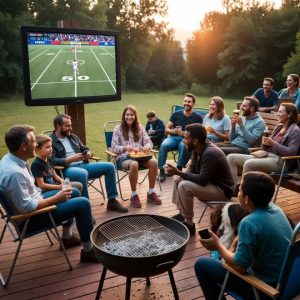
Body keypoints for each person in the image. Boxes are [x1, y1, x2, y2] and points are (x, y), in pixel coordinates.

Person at [0, 125, 97, 262]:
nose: (36, 144)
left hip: (36, 202)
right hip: (31, 219)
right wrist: (56, 198)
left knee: (73, 191)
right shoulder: (14, 173)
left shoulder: (10, 159)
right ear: (23, 146)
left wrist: (59, 193)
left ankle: (67, 237)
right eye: (33, 141)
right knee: (83, 204)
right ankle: (89, 251)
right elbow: (26, 207)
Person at [194, 171, 293, 300]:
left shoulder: (249, 223)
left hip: (264, 290)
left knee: (201, 265)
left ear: (247, 199)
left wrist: (218, 246)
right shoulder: (276, 210)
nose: (238, 192)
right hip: (286, 282)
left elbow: (239, 267)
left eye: (240, 190)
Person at [50, 114, 128, 213]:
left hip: (83, 165)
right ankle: (85, 210)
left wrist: (89, 154)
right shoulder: (51, 141)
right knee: (82, 173)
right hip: (67, 170)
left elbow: (85, 148)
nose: (70, 128)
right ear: (58, 126)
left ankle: (112, 201)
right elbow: (52, 161)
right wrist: (70, 159)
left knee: (110, 166)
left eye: (71, 125)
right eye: (67, 126)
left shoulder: (73, 137)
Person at [167, 123, 234, 235]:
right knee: (178, 180)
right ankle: (182, 214)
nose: (183, 141)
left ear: (195, 141)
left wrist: (180, 172)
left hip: (222, 190)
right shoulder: (197, 149)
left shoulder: (209, 153)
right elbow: (191, 169)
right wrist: (180, 175)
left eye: (186, 138)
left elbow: (203, 180)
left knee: (184, 186)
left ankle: (189, 223)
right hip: (211, 184)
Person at [227, 103, 300, 187]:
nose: (277, 114)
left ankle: (245, 192)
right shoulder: (279, 127)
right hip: (267, 156)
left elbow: (291, 152)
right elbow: (265, 148)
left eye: (280, 112)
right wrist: (265, 142)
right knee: (231, 157)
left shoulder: (295, 131)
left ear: (289, 114)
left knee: (249, 163)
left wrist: (273, 143)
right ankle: (231, 189)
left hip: (281, 161)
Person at [111, 105, 162, 208]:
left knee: (154, 162)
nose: (129, 117)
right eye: (127, 114)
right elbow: (114, 147)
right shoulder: (118, 128)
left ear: (135, 116)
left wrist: (146, 147)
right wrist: (125, 148)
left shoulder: (140, 127)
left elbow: (149, 142)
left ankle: (151, 192)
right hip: (123, 158)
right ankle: (134, 194)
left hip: (140, 157)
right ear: (124, 116)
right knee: (134, 164)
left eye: (132, 115)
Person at [158, 93, 203, 182]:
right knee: (164, 145)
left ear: (193, 104)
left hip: (186, 140)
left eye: (189, 102)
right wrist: (174, 131)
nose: (186, 103)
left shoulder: (197, 117)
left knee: (184, 146)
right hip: (173, 138)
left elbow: (200, 132)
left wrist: (186, 135)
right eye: (185, 101)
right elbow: (166, 130)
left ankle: (178, 170)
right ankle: (162, 170)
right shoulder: (176, 114)